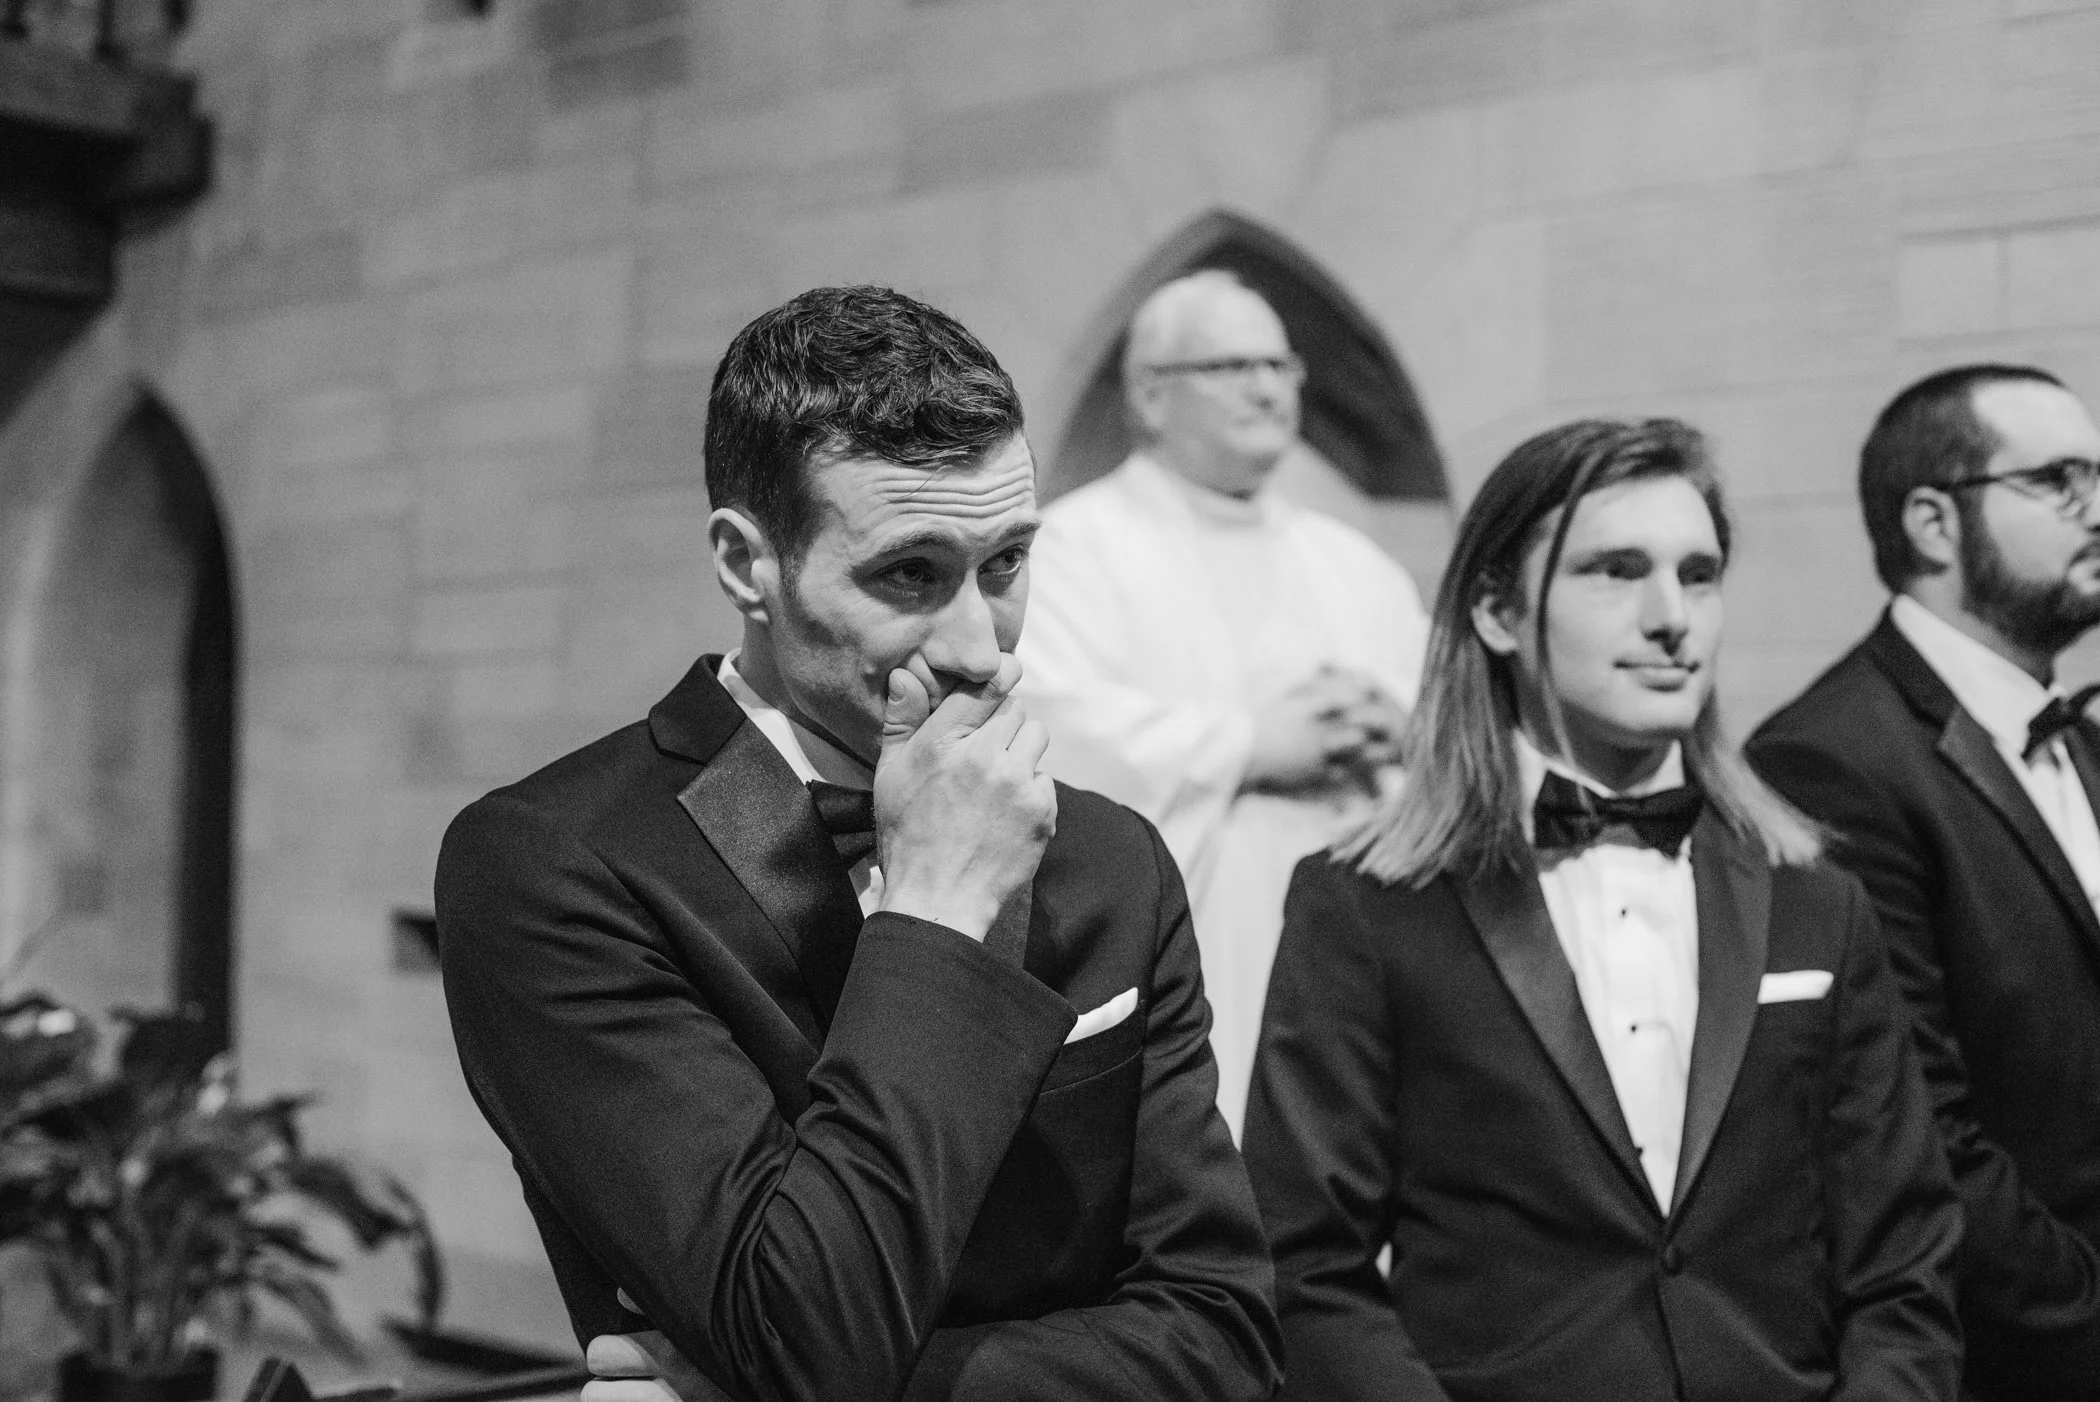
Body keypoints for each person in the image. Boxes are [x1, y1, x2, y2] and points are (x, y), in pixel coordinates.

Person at [435, 286, 1282, 1402]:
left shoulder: (1113, 856)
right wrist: (937, 913)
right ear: (747, 564)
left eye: (1005, 564)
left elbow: (1226, 1338)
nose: (980, 649)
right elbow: (804, 1331)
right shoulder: (555, 862)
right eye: (909, 574)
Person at [1243, 418, 1963, 1402]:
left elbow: (1906, 1260)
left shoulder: (1816, 900)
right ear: (1498, 611)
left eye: (1699, 576)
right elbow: (1303, 1262)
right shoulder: (1367, 905)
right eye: (1616, 572)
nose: (1672, 617)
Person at [1749, 364, 2100, 1399]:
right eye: (2058, 480)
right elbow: (1918, 1137)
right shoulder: (1828, 759)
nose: (2096, 509)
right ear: (1935, 523)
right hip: (2012, 1358)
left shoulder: (2077, 737)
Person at [1017, 270, 1428, 1135]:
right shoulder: (1074, 548)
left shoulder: (1351, 560)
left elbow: (1447, 716)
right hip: (1204, 946)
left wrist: (1399, 728)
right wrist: (1250, 746)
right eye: (1234, 365)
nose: (1269, 388)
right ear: (1150, 394)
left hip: (1361, 950)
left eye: (1281, 365)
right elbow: (1051, 733)